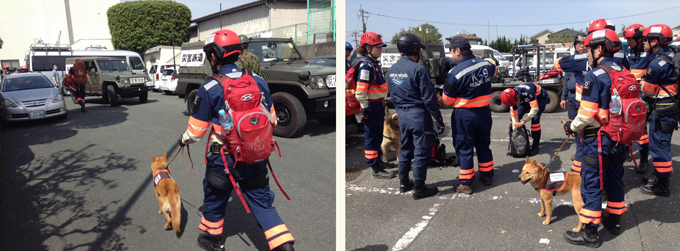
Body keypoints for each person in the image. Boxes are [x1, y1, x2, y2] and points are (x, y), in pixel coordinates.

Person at [178, 29, 294, 251]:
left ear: (214, 56)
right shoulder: (258, 81)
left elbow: (196, 132)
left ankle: (213, 240)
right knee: (262, 202)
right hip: (255, 154)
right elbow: (272, 120)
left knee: (214, 197)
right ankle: (284, 245)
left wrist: (183, 140)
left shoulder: (210, 87)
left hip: (223, 159)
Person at [562, 29, 627, 247]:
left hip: (598, 140)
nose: (587, 54)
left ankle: (590, 234)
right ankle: (614, 221)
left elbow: (587, 114)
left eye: (589, 49)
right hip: (620, 137)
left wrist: (572, 126)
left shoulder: (595, 75)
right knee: (615, 181)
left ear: (599, 49)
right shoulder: (624, 70)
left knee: (592, 185)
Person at [385, 33, 444, 199]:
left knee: (405, 149)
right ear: (415, 50)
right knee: (421, 151)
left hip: (402, 114)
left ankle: (404, 182)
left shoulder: (391, 71)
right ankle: (419, 188)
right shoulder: (419, 70)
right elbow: (428, 98)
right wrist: (438, 119)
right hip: (418, 115)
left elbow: (393, 96)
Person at [441, 36, 496, 194]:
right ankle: (486, 176)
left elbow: (447, 100)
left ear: (457, 51)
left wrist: (439, 96)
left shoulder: (455, 73)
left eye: (451, 51)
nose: (451, 55)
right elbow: (494, 68)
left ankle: (466, 183)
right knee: (483, 145)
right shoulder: (486, 64)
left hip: (465, 115)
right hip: (484, 113)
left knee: (464, 148)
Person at [639, 24, 677, 197]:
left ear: (654, 41)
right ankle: (658, 177)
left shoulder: (656, 64)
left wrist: (641, 84)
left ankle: (662, 185)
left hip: (662, 110)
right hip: (671, 108)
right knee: (661, 144)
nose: (643, 43)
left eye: (645, 40)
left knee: (659, 147)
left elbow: (648, 91)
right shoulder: (671, 55)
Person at [354, 31, 394, 179]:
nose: (381, 49)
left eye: (381, 46)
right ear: (368, 48)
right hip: (371, 105)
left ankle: (378, 161)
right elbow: (361, 91)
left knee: (377, 135)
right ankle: (374, 167)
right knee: (371, 136)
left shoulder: (374, 64)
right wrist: (364, 108)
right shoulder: (366, 66)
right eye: (377, 47)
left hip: (378, 104)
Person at [550, 34, 591, 172]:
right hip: (572, 97)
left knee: (585, 126)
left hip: (586, 98)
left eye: (583, 44)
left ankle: (584, 151)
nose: (581, 46)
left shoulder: (589, 60)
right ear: (574, 46)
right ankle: (579, 149)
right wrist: (563, 98)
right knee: (573, 126)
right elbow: (566, 82)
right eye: (578, 44)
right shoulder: (571, 62)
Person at [624, 24, 653, 173]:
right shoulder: (629, 51)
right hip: (628, 93)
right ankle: (626, 151)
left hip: (642, 95)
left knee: (641, 128)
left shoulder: (648, 51)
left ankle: (643, 159)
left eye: (630, 39)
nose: (628, 42)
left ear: (639, 38)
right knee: (624, 124)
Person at [500, 82, 547, 156]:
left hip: (539, 97)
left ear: (518, 96)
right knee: (512, 121)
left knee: (535, 119)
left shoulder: (528, 91)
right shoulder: (512, 98)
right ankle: (513, 143)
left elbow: (534, 109)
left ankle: (535, 146)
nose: (515, 105)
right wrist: (514, 129)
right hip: (524, 101)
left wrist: (523, 122)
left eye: (515, 103)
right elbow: (514, 116)